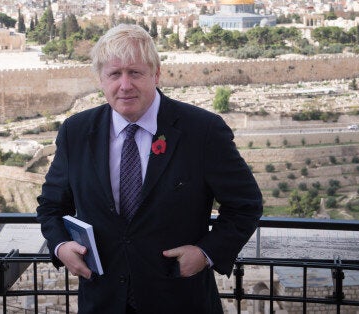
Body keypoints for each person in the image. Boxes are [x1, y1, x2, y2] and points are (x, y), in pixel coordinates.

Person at [36, 24, 262, 314]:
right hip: (103, 301)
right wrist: (60, 247)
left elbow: (246, 205)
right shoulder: (77, 132)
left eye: (135, 73)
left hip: (180, 300)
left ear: (156, 74)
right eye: (115, 74)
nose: (125, 85)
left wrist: (205, 253)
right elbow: (51, 206)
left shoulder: (201, 131)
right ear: (101, 79)